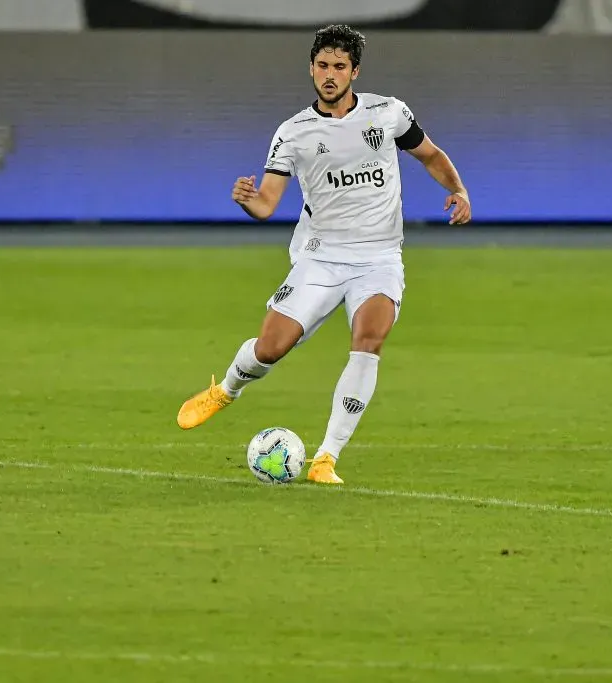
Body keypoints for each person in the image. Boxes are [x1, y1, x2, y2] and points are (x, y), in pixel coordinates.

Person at [177, 23, 471, 484]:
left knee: (368, 341)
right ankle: (227, 389)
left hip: (378, 258)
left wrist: (458, 189)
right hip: (320, 257)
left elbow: (430, 155)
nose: (329, 74)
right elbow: (267, 202)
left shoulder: (387, 114)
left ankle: (325, 459)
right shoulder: (293, 133)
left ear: (355, 70)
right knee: (271, 348)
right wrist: (247, 199)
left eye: (338, 66)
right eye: (321, 65)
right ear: (311, 69)